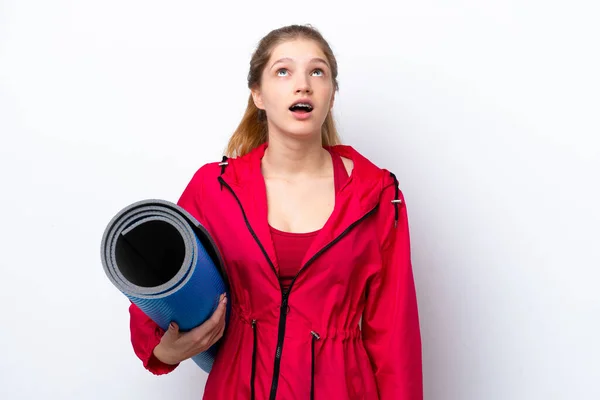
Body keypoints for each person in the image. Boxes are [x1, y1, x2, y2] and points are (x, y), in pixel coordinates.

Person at [129, 24, 423, 399]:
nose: (303, 84)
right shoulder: (214, 189)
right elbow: (157, 282)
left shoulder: (377, 196)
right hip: (236, 388)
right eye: (283, 71)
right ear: (258, 95)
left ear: (331, 95)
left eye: (317, 71)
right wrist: (163, 349)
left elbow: (395, 335)